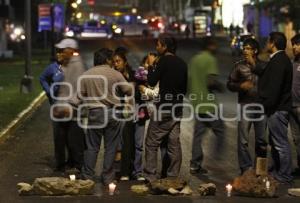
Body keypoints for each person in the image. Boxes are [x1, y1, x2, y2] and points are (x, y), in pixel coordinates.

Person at [77, 48, 133, 186]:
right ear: (107, 60)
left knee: (92, 146)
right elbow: (128, 89)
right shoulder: (115, 74)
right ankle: (107, 177)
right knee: (111, 147)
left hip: (95, 113)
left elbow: (79, 96)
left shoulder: (86, 75)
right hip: (113, 113)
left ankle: (87, 177)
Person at [144, 36, 188, 181]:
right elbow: (184, 89)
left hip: (163, 108)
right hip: (177, 109)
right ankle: (172, 176)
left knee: (151, 143)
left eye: (158, 45)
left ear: (165, 47)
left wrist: (150, 65)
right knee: (174, 143)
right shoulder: (182, 63)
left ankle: (150, 176)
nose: (156, 48)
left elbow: (151, 82)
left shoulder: (163, 61)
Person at [40, 38, 86, 172]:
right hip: (62, 109)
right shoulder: (65, 64)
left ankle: (77, 166)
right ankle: (64, 164)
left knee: (74, 140)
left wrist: (69, 107)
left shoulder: (77, 66)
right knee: (61, 138)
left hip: (72, 110)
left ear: (71, 50)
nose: (61, 52)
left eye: (63, 50)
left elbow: (79, 90)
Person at [254, 32, 293, 183]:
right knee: (276, 141)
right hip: (278, 107)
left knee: (280, 143)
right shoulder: (280, 59)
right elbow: (266, 74)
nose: (266, 44)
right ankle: (279, 170)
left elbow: (274, 87)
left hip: (277, 108)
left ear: (273, 43)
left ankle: (284, 174)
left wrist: (267, 105)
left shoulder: (279, 61)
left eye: (268, 41)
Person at [227, 38, 267, 174]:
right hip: (245, 106)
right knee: (243, 140)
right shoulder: (239, 66)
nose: (245, 50)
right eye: (244, 48)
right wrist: (240, 86)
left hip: (262, 107)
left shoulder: (264, 66)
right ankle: (246, 168)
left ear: (255, 51)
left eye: (248, 48)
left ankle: (259, 169)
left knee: (261, 140)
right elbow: (230, 84)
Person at [188, 37, 225, 174]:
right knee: (220, 131)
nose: (217, 48)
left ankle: (195, 164)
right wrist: (221, 87)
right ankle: (216, 158)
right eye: (215, 45)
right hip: (209, 105)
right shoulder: (210, 59)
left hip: (197, 103)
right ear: (210, 46)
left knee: (198, 135)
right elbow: (211, 82)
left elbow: (190, 81)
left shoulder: (194, 59)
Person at [113, 51, 136, 181]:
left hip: (130, 112)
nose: (116, 64)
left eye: (118, 61)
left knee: (128, 143)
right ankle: (118, 171)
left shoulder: (132, 75)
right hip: (117, 112)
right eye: (114, 62)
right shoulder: (113, 76)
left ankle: (127, 171)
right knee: (117, 144)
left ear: (125, 62)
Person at [290, 34, 300, 176]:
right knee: (297, 139)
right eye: (293, 44)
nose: (294, 47)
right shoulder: (293, 62)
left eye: (297, 44)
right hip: (291, 106)